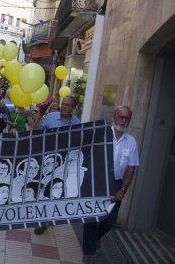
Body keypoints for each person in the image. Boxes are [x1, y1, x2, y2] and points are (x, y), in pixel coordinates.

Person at [82, 106, 139, 263]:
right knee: (91, 219)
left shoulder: (131, 142)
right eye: (121, 116)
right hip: (96, 181)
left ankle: (97, 238)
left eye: (127, 118)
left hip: (115, 184)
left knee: (108, 221)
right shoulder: (101, 134)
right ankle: (88, 252)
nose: (123, 120)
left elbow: (131, 168)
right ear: (115, 116)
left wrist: (123, 189)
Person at [35, 96, 81, 234]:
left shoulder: (77, 123)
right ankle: (42, 221)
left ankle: (50, 216)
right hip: (47, 161)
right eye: (63, 104)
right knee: (44, 188)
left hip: (64, 164)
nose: (64, 107)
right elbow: (38, 132)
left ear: (73, 108)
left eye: (68, 105)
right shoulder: (50, 117)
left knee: (56, 191)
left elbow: (78, 142)